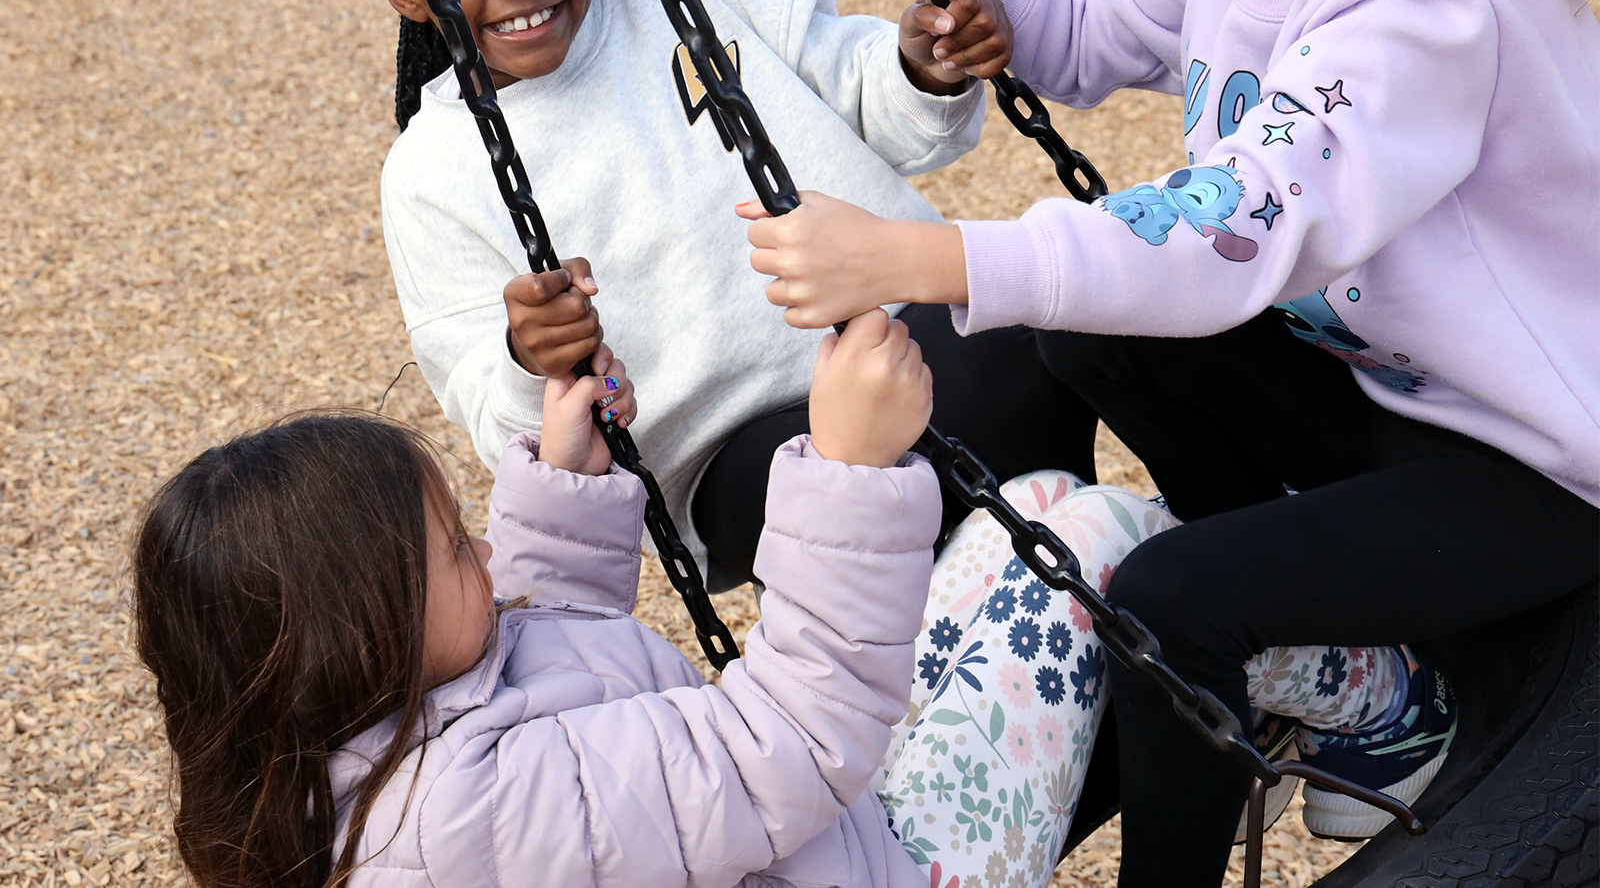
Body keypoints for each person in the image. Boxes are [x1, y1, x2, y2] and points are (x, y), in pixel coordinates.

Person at [746, 0, 1600, 882]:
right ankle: (1339, 659)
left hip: (1541, 457)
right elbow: (1101, 30)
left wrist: (919, 254)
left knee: (1170, 595)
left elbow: (1230, 226)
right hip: (1401, 386)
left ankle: (1274, 710)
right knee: (1093, 331)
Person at [132, 313, 1196, 888]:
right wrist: (850, 467)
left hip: (817, 827)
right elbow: (789, 735)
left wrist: (568, 484)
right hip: (895, 859)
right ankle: (1350, 698)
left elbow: (552, 672)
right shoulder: (464, 821)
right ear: (364, 634)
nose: (485, 550)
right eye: (458, 548)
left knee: (1038, 502)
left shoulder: (379, 738)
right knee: (1094, 541)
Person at [359, 0, 1099, 593]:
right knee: (898, 464)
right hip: (728, 450)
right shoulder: (435, 170)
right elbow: (494, 419)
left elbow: (862, 98)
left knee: (1048, 336)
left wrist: (926, 64)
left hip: (888, 326)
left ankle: (1089, 609)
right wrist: (524, 355)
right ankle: (970, 667)